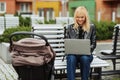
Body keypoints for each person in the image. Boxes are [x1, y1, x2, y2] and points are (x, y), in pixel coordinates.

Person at [65, 6, 96, 80]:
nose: (80, 19)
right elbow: (67, 43)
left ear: (85, 17)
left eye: (82, 17)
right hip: (73, 55)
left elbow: (94, 44)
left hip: (86, 55)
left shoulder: (91, 27)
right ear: (75, 17)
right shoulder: (69, 28)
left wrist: (86, 50)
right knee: (71, 58)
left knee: (84, 58)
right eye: (78, 17)